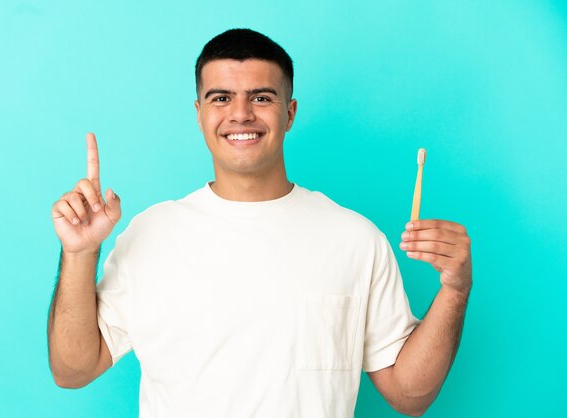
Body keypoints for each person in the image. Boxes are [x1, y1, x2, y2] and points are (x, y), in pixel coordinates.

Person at [47, 28, 472, 417]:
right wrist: (79, 252)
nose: (240, 114)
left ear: (290, 113)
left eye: (261, 98)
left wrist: (455, 289)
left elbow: (409, 394)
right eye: (221, 98)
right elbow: (72, 370)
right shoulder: (150, 234)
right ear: (199, 113)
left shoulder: (355, 239)